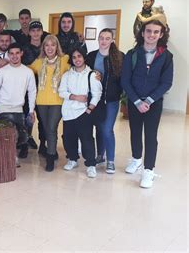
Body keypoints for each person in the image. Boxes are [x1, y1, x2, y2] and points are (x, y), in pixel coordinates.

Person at [121, 19, 173, 188]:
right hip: (134, 101)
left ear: (161, 34)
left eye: (156, 32)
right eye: (148, 31)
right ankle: (136, 159)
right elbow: (125, 80)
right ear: (142, 33)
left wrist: (149, 101)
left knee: (150, 136)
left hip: (154, 103)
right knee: (135, 132)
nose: (152, 35)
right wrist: (136, 101)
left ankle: (148, 170)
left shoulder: (166, 56)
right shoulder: (132, 54)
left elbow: (166, 82)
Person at [0, 42, 36, 167]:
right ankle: (11, 157)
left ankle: (10, 154)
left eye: (17, 53)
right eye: (11, 54)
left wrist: (31, 110)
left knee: (22, 136)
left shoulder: (28, 72)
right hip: (3, 109)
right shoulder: (2, 72)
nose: (14, 56)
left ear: (21, 54)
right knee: (9, 133)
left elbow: (32, 92)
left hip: (19, 109)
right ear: (8, 55)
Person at [59, 48, 102, 178]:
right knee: (68, 138)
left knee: (87, 140)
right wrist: (75, 97)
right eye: (74, 57)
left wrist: (89, 109)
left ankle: (90, 165)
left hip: (84, 112)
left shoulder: (92, 75)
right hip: (68, 112)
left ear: (84, 58)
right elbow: (61, 92)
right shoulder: (67, 75)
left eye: (79, 56)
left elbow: (97, 94)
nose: (77, 59)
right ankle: (72, 159)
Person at [29, 35, 70, 171]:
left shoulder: (64, 60)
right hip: (41, 102)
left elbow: (78, 67)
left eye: (53, 45)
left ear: (57, 46)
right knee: (46, 130)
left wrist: (94, 73)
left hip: (57, 102)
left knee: (52, 129)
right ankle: (51, 150)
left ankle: (50, 158)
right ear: (43, 47)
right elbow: (26, 69)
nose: (50, 48)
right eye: (47, 45)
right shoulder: (39, 62)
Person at [86, 28, 124, 174]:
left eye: (107, 38)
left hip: (111, 100)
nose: (104, 41)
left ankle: (111, 160)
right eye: (101, 38)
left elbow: (123, 79)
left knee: (107, 130)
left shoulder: (120, 57)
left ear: (112, 40)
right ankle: (100, 155)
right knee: (99, 128)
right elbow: (85, 74)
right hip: (95, 99)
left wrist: (118, 93)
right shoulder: (91, 56)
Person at [27, 21, 50, 154]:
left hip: (44, 89)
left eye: (38, 30)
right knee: (28, 117)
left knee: (43, 119)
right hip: (28, 89)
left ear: (42, 32)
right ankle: (25, 141)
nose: (36, 33)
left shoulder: (48, 48)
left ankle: (43, 144)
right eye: (33, 30)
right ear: (29, 32)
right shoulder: (24, 48)